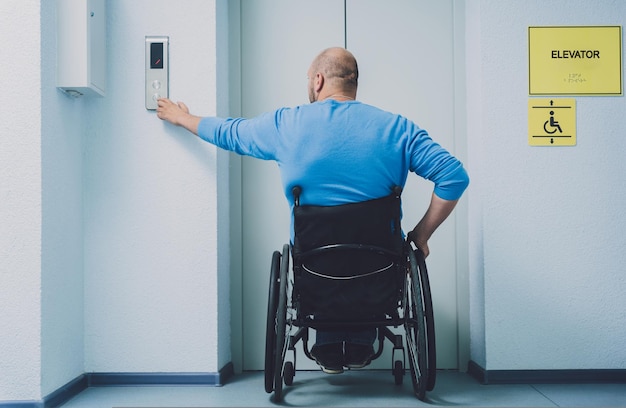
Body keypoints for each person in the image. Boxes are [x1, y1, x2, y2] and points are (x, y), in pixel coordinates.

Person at [156, 47, 469, 374]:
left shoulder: (286, 124)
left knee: (321, 264)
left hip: (315, 272)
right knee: (373, 260)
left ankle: (329, 348)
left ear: (318, 80)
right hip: (380, 273)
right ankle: (361, 345)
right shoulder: (398, 129)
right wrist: (421, 234)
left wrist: (182, 117)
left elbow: (229, 133)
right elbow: (454, 176)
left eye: (309, 79)